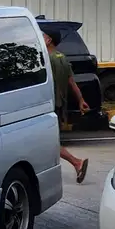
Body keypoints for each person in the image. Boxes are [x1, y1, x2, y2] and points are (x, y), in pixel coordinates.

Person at [43, 29, 89, 183]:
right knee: (49, 141)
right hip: (60, 105)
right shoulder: (62, 57)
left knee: (49, 142)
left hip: (48, 105)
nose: (40, 38)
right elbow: (72, 82)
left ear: (49, 40)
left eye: (43, 36)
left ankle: (77, 162)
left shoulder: (47, 59)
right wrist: (81, 100)